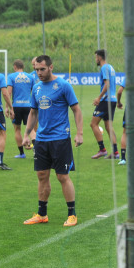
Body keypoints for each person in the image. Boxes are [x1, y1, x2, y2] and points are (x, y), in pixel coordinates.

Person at [22, 55, 83, 227]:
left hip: (60, 138)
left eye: (42, 69)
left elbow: (76, 110)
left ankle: (72, 214)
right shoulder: (36, 88)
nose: (39, 72)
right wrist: (27, 134)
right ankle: (42, 214)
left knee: (62, 176)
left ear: (51, 67)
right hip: (41, 139)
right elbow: (33, 113)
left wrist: (79, 133)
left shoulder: (63, 85)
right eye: (36, 70)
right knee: (42, 176)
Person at [90, 49, 119, 160]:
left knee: (93, 124)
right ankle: (116, 153)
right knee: (108, 126)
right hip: (112, 100)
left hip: (106, 100)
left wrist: (99, 97)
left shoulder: (104, 68)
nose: (95, 59)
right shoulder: (110, 67)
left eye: (96, 57)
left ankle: (102, 150)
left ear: (100, 57)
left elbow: (107, 85)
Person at [6, 59, 36, 159]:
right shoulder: (30, 77)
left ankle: (22, 153)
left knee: (17, 129)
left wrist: (8, 107)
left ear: (15, 67)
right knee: (31, 129)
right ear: (23, 67)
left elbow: (9, 93)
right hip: (28, 106)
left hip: (16, 106)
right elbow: (35, 92)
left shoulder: (11, 76)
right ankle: (36, 151)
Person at [116, 75, 127, 165]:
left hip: (131, 108)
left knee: (125, 133)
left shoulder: (130, 75)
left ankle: (123, 159)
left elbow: (119, 91)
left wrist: (118, 102)